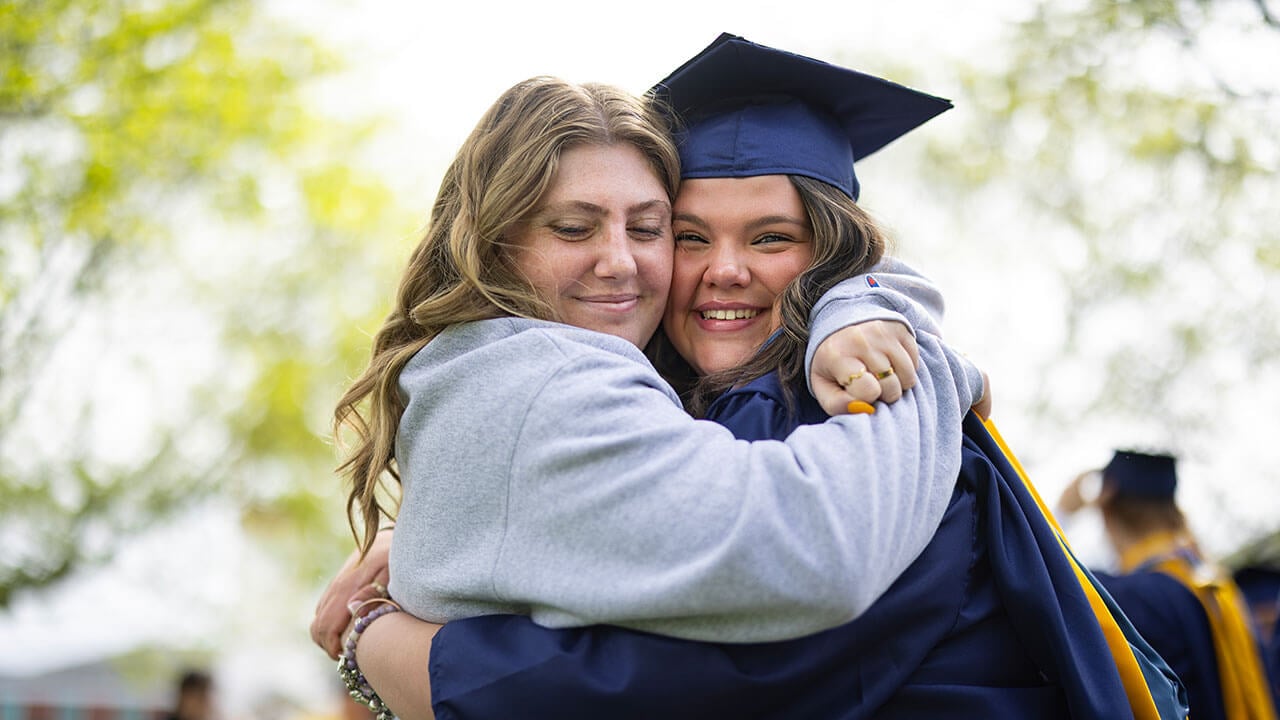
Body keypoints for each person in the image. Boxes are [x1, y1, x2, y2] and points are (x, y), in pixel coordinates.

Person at [319, 35, 1186, 720]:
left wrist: (387, 644)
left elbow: (701, 684)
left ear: (833, 256)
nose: (723, 271)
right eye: (690, 237)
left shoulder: (859, 426)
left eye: (771, 239)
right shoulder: (659, 417)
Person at [1059, 450, 1279, 720]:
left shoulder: (1129, 598)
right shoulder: (1215, 586)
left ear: (1105, 507)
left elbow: (1052, 586)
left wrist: (1061, 516)